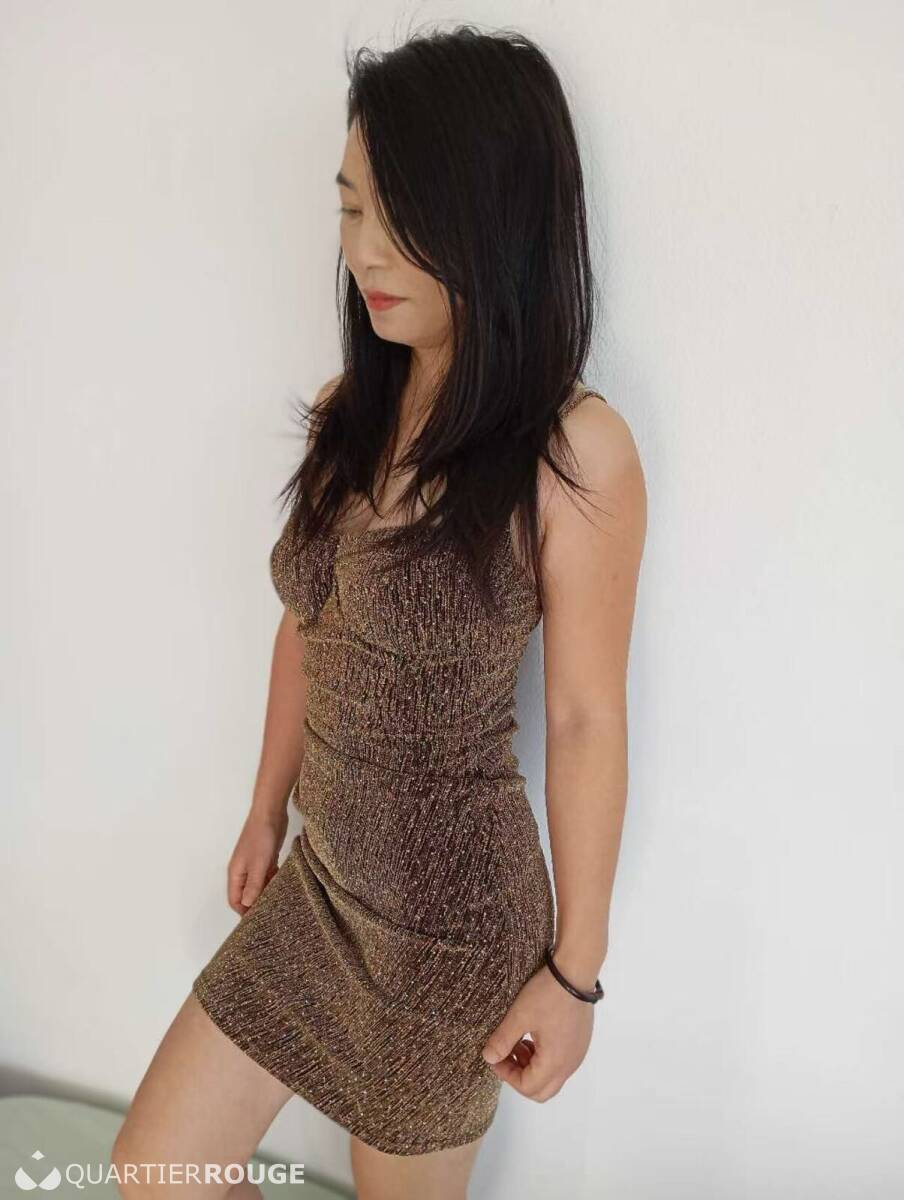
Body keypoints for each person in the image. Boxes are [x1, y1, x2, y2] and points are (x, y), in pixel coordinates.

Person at [113, 24, 646, 1200]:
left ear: (493, 216)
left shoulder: (574, 453)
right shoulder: (348, 410)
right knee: (156, 1170)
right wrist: (264, 808)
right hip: (320, 888)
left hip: (449, 936)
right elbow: (308, 624)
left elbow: (584, 719)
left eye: (401, 214)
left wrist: (575, 974)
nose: (364, 249)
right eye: (351, 208)